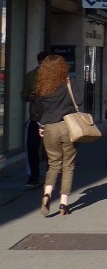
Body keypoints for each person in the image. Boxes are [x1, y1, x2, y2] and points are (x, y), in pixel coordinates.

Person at [29, 54, 76, 216]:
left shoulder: (41, 88)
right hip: (68, 126)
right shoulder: (67, 85)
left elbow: (38, 112)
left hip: (49, 128)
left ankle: (47, 193)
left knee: (53, 163)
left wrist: (41, 126)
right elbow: (79, 102)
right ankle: (63, 203)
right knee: (68, 165)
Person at [20, 50, 49, 187]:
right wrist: (29, 96)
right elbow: (23, 94)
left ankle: (51, 175)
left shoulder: (55, 77)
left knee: (51, 149)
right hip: (35, 117)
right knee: (32, 148)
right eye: (40, 64)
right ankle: (34, 176)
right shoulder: (31, 76)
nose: (42, 66)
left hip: (51, 118)